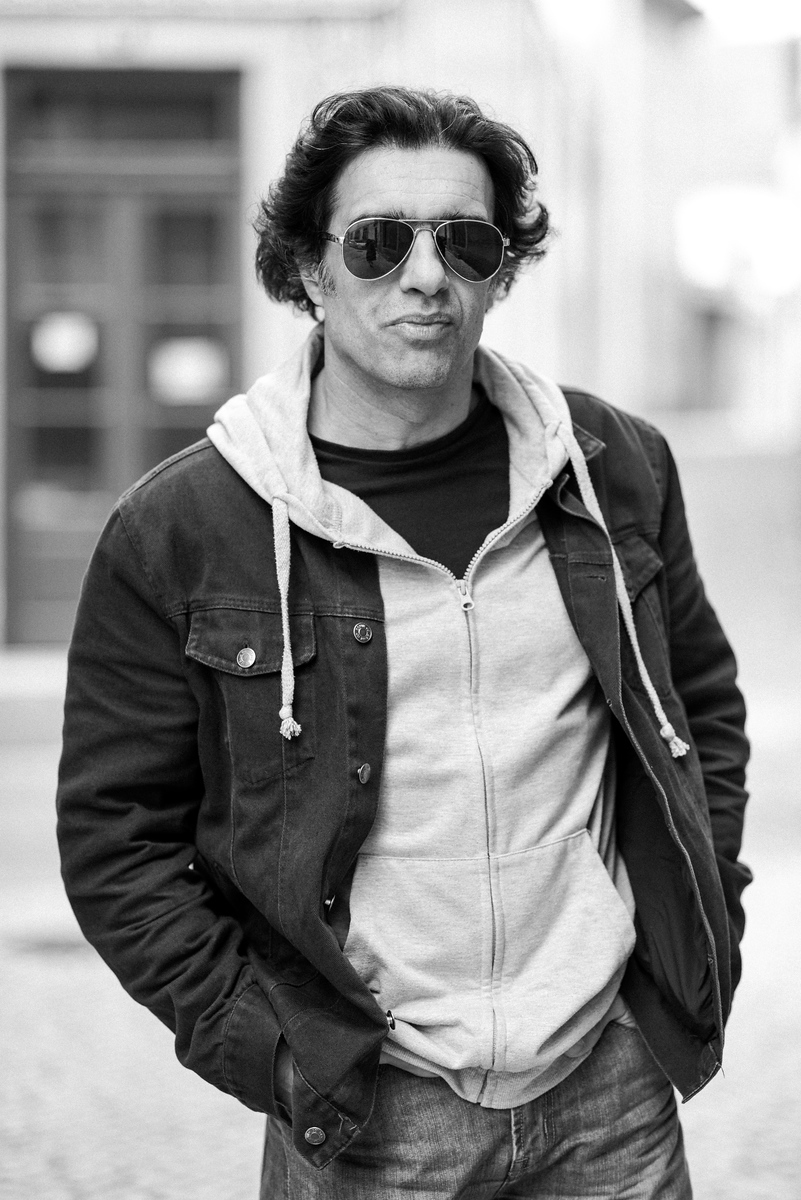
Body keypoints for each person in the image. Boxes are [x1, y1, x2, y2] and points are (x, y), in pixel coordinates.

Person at [57, 86, 751, 1199]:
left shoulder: (610, 469)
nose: (427, 277)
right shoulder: (186, 527)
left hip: (612, 1093)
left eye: (466, 243)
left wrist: (690, 943)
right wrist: (278, 1053)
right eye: (378, 243)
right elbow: (115, 840)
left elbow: (699, 713)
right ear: (309, 270)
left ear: (501, 272)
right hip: (368, 1117)